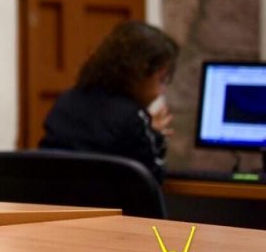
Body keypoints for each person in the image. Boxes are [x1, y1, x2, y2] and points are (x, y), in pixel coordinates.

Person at [39, 20, 179, 182]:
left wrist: (146, 130)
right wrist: (154, 136)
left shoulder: (66, 101)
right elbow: (152, 179)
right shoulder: (131, 118)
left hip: (54, 204)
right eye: (162, 79)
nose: (161, 91)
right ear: (140, 73)